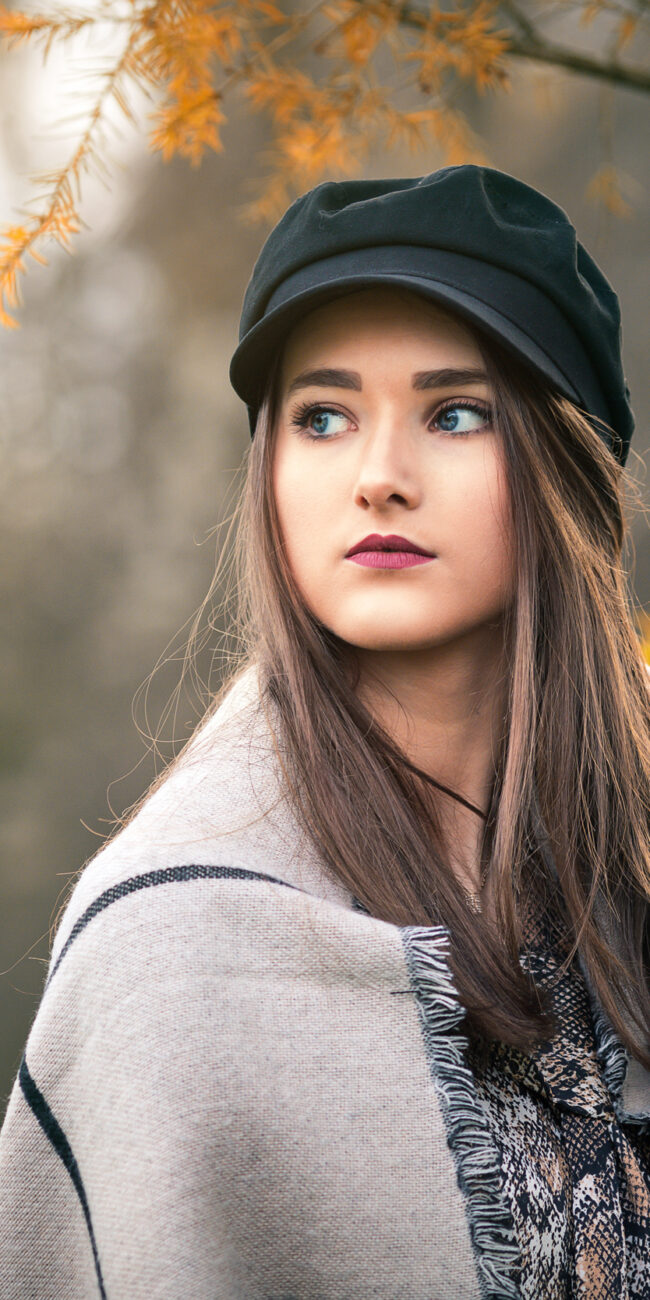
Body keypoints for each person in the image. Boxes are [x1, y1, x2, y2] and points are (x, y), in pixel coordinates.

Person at [0, 165, 648, 1299]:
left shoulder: (619, 883)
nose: (377, 478)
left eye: (453, 413)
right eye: (322, 417)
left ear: (563, 467)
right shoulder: (174, 947)